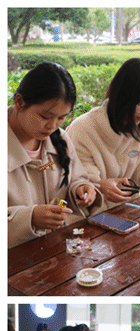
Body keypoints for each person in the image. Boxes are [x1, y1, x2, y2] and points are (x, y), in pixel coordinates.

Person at [8, 62, 101, 248]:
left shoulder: (60, 139)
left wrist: (81, 189)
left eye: (61, 117)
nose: (52, 126)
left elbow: (75, 179)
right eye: (45, 116)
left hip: (54, 250)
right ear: (19, 102)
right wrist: (30, 218)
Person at [67, 58, 140, 206]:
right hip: (89, 215)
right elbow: (78, 185)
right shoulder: (83, 129)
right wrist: (100, 186)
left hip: (126, 209)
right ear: (123, 96)